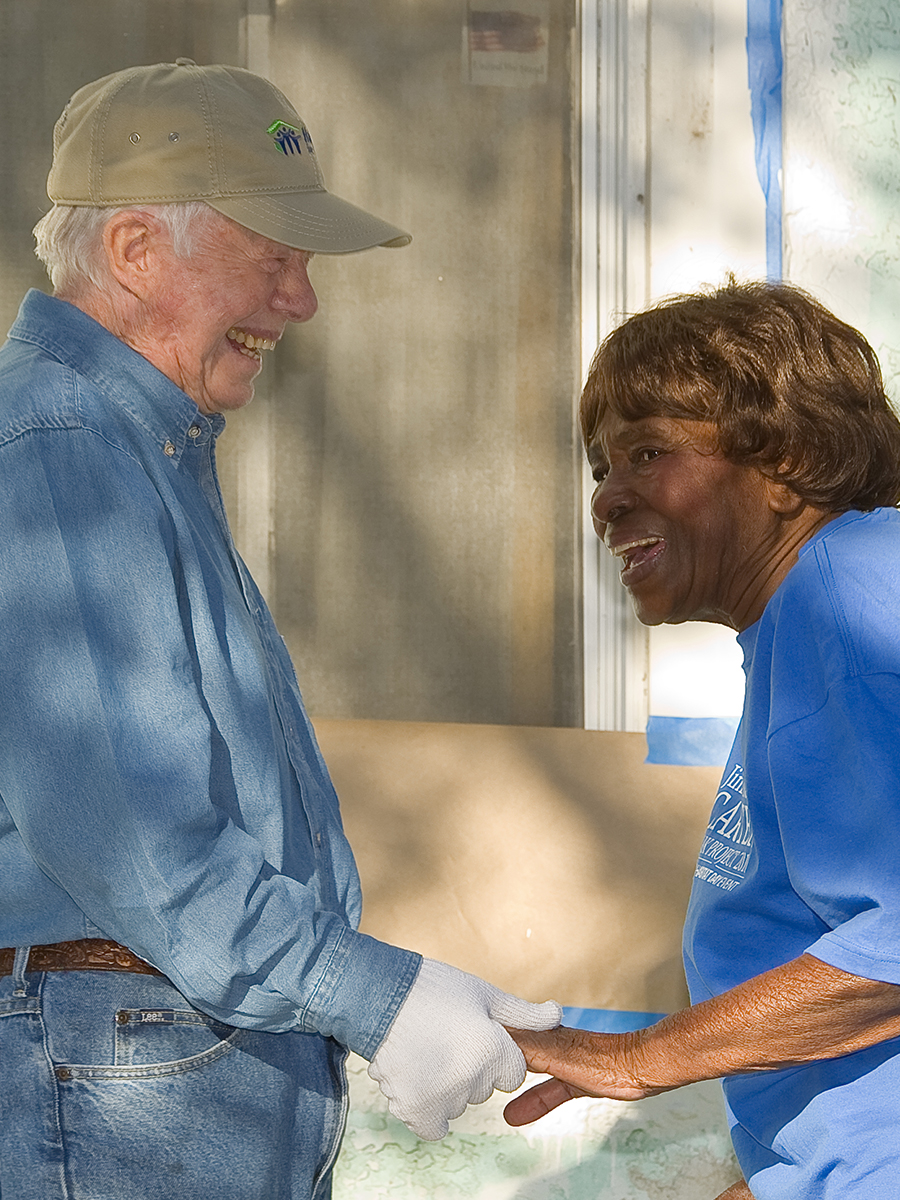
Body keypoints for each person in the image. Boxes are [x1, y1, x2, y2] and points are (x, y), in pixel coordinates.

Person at [0, 60, 561, 1200]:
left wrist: (368, 992)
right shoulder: (64, 441)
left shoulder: (132, 441)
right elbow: (142, 847)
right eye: (274, 256)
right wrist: (378, 996)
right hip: (129, 1059)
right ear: (133, 254)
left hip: (159, 1049)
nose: (301, 300)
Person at [502, 280, 900, 1199]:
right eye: (602, 468)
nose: (607, 500)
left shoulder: (849, 593)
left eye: (649, 452)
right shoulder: (798, 631)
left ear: (789, 457)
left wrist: (641, 1059)